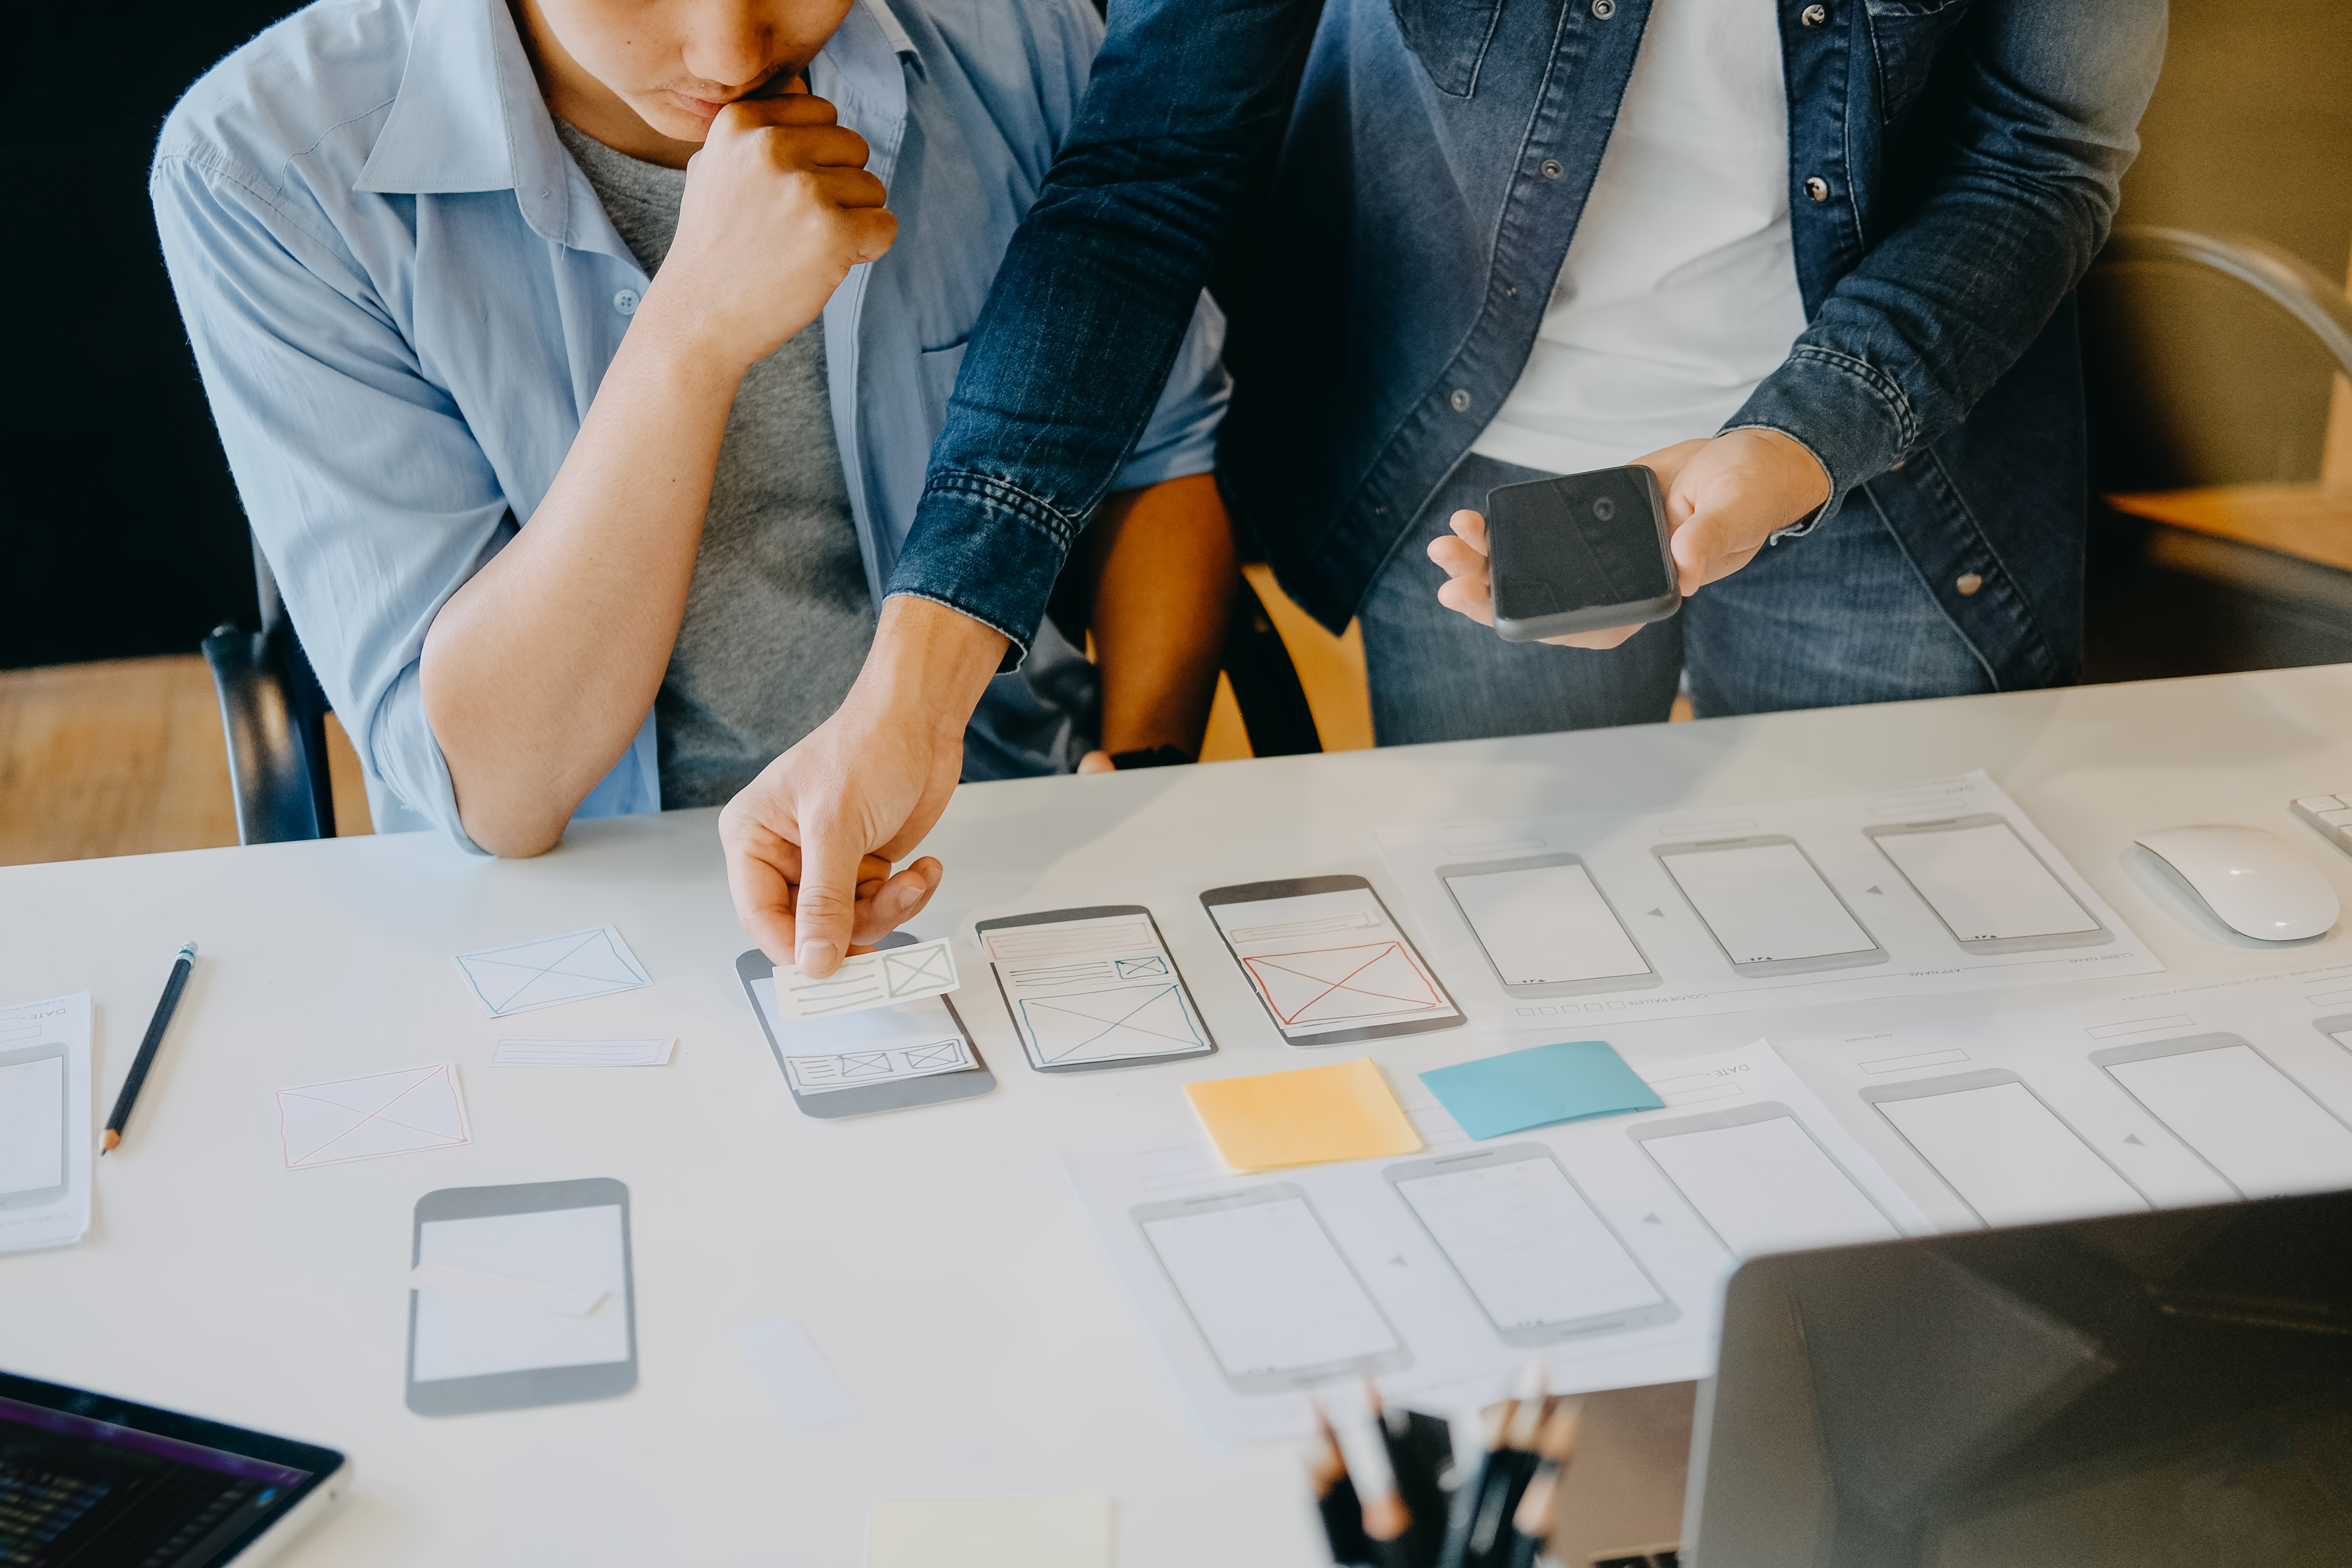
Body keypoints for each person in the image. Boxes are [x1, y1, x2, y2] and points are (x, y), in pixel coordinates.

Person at [722, 0, 2167, 977]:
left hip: (1898, 426)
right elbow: (1150, 171)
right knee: (1529, 963)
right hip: (1458, 440)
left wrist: (1794, 446)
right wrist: (914, 685)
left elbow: (2039, 151)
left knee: (1877, 969)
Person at [151, 0, 1237, 936]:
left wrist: (1137, 769)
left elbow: (1161, 463)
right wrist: (692, 334)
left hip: (1008, 840)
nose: (730, 52)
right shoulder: (263, 168)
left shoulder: (1024, 41)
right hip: (583, 896)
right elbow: (498, 791)